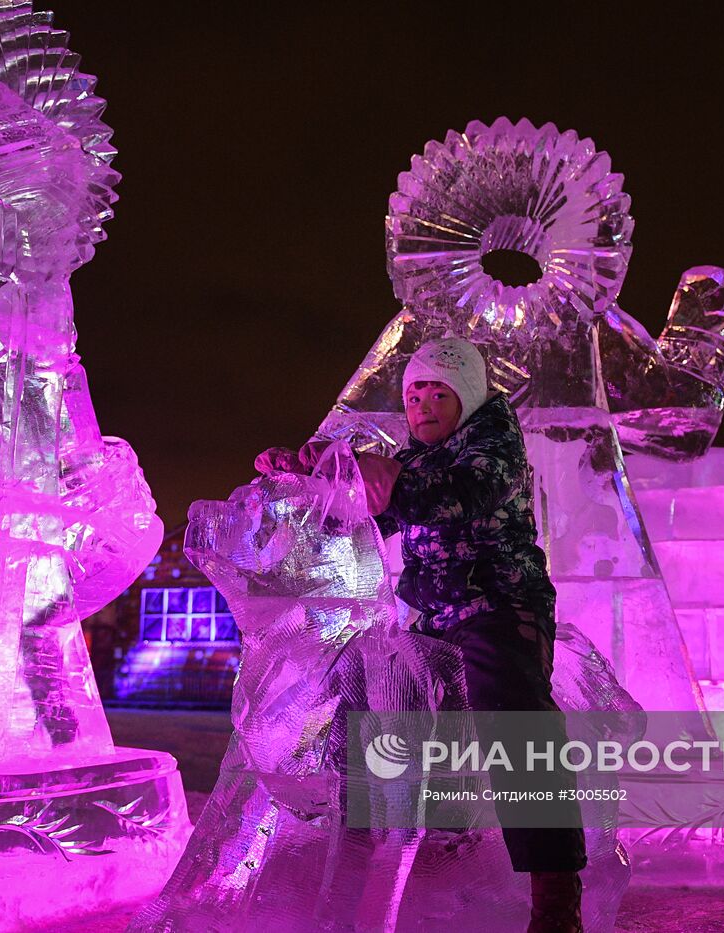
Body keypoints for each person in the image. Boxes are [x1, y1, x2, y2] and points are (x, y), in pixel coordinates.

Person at [261, 338, 584, 933]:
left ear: (469, 398)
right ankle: (372, 859)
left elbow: (456, 497)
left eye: (441, 393)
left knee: (515, 724)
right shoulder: (413, 461)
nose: (425, 405)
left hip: (500, 612)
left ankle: (556, 899)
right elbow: (357, 515)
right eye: (414, 394)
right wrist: (311, 479)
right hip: (433, 622)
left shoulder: (493, 446)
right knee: (364, 697)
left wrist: (375, 475)